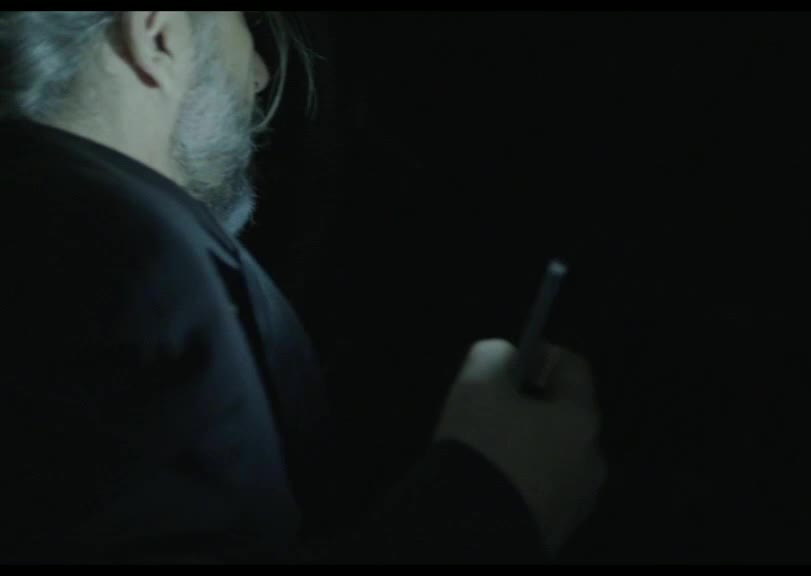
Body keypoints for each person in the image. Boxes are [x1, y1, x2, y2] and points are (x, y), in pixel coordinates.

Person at [0, 11, 606, 563]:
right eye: (241, 23)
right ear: (157, 33)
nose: (260, 75)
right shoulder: (129, 256)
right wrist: (491, 498)